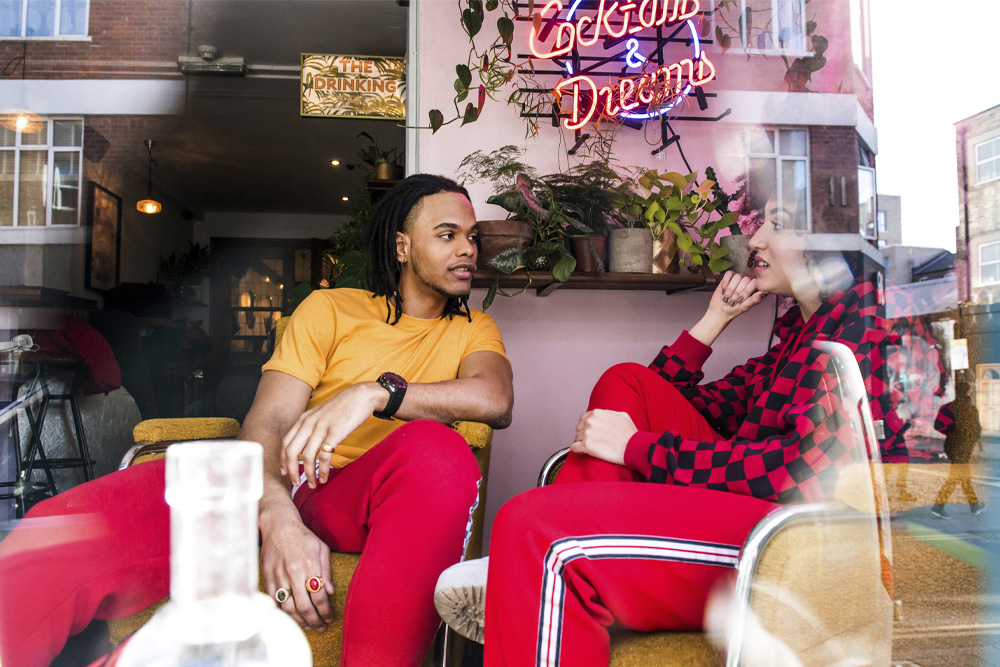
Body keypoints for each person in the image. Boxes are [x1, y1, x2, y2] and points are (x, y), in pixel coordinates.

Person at [0, 174, 515, 667]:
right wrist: (276, 516)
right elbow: (269, 420)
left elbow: (495, 398)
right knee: (58, 535)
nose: (468, 250)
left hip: (359, 499)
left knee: (438, 452)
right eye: (447, 235)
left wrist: (376, 392)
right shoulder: (331, 308)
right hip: (275, 481)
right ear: (402, 246)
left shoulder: (474, 329)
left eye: (472, 237)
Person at [436, 193, 893, 666]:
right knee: (626, 380)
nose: (754, 240)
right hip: (752, 514)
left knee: (532, 526)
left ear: (827, 240)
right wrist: (715, 319)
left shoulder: (861, 327)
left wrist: (639, 449)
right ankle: (540, 560)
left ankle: (532, 568)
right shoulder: (793, 343)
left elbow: (802, 475)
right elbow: (662, 398)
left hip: (793, 543)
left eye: (777, 224)